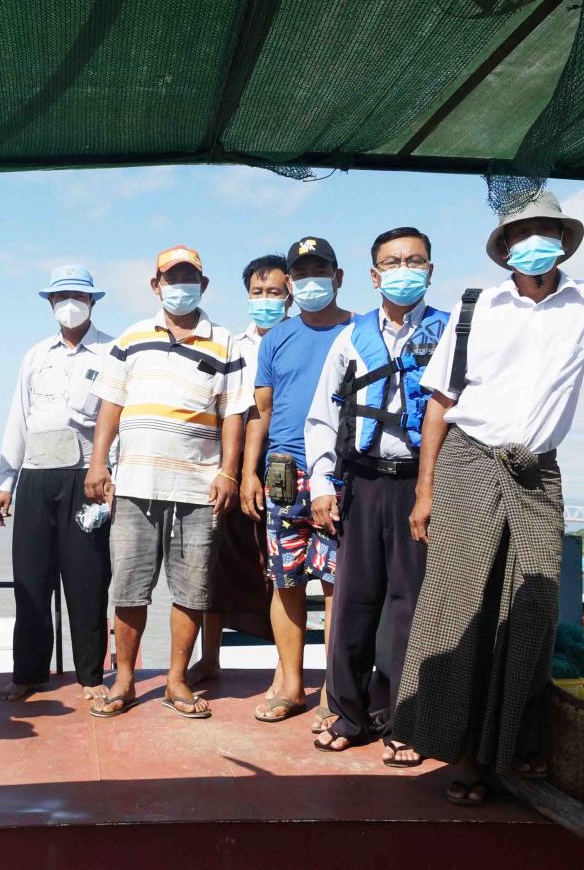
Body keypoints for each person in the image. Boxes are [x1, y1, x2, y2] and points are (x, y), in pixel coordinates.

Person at [392, 192, 584, 807]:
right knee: (459, 609)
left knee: (530, 610)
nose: (534, 241)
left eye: (546, 230)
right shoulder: (476, 306)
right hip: (468, 463)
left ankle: (513, 745)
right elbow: (441, 403)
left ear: (563, 240)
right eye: (522, 232)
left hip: (538, 473)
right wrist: (425, 491)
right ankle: (463, 755)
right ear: (506, 247)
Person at [84, 245, 248, 720]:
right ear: (156, 286)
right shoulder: (132, 338)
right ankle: (124, 680)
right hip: (135, 484)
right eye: (171, 278)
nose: (180, 286)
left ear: (204, 285)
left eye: (188, 278)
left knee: (191, 590)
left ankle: (177, 680)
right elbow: (111, 406)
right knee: (128, 588)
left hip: (198, 489)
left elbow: (233, 414)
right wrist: (98, 464)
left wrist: (229, 472)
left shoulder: (225, 342)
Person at [305, 227, 448, 762]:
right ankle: (348, 714)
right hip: (362, 482)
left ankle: (407, 721)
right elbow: (322, 415)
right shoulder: (351, 337)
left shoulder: (451, 334)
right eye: (392, 262)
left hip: (420, 484)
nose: (403, 270)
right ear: (373, 275)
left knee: (414, 605)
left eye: (415, 261)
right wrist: (322, 484)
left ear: (430, 270)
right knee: (353, 603)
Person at [239, 237, 353, 724]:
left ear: (338, 276)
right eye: (301, 273)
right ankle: (291, 685)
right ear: (289, 282)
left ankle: (335, 690)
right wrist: (249, 472)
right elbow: (262, 412)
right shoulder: (275, 338)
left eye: (319, 271)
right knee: (284, 581)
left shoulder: (359, 331)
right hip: (283, 474)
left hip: (338, 475)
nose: (310, 281)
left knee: (336, 583)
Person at [0, 265, 115, 702]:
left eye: (78, 296)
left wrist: (111, 475)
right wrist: (6, 482)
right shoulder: (35, 355)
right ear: (49, 303)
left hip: (87, 478)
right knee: (30, 578)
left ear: (93, 301)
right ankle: (28, 673)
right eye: (61, 296)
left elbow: (118, 420)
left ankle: (91, 676)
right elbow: (18, 417)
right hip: (36, 476)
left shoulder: (112, 352)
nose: (69, 304)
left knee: (88, 579)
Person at [189, 256, 283, 686]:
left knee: (283, 565)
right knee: (216, 562)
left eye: (275, 292)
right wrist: (232, 470)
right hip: (231, 463)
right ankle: (210, 658)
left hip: (284, 461)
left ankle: (286, 665)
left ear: (289, 295)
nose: (266, 300)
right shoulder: (231, 344)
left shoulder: (300, 338)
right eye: (258, 292)